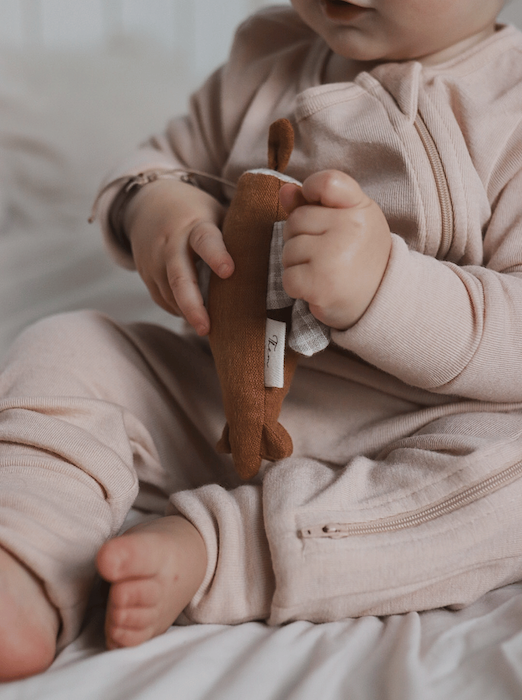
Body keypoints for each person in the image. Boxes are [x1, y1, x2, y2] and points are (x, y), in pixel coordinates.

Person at [0, 0, 520, 682]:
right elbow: (158, 163)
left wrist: (386, 289)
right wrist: (158, 204)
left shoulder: (507, 109)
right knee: (70, 346)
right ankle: (27, 559)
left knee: (507, 491)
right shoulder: (267, 53)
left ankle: (219, 550)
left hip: (419, 433)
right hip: (218, 398)